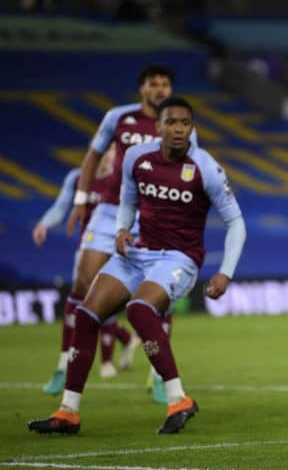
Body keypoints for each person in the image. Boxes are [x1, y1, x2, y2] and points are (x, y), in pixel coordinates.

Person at [28, 97, 246, 435]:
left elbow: (236, 222)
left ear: (192, 128)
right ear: (157, 127)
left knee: (139, 309)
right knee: (86, 316)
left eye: (185, 123)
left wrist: (225, 272)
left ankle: (178, 400)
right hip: (138, 253)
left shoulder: (205, 167)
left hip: (179, 259)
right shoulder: (135, 157)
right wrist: (120, 229)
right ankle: (68, 411)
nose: (178, 129)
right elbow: (128, 199)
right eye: (171, 122)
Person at [65, 63, 192, 403]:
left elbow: (192, 172)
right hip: (109, 209)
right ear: (142, 89)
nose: (161, 89)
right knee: (84, 283)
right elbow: (92, 157)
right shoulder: (118, 118)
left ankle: (158, 373)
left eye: (166, 83)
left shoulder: (180, 125)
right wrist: (80, 199)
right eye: (154, 83)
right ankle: (80, 358)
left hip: (151, 214)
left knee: (156, 296)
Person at [33, 146, 140, 394]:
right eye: (105, 151)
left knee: (104, 304)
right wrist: (44, 224)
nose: (108, 156)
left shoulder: (123, 179)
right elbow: (61, 207)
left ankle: (105, 360)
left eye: (113, 151)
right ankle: (64, 366)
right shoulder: (78, 177)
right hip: (86, 250)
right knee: (80, 300)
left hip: (115, 249)